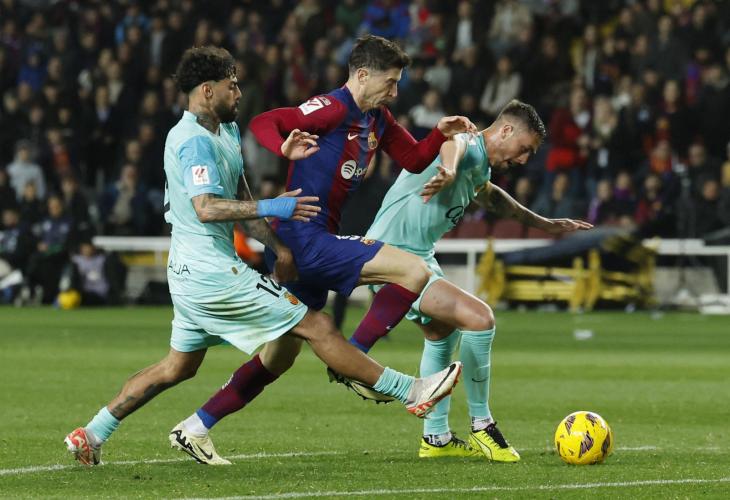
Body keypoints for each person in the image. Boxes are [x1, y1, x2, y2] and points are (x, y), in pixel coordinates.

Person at [63, 46, 462, 467]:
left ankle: (96, 432)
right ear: (207, 90)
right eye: (231, 85)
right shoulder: (193, 141)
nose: (239, 93)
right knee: (320, 325)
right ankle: (410, 390)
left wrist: (277, 246)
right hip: (211, 272)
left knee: (181, 367)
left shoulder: (226, 132)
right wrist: (276, 205)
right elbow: (206, 207)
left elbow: (240, 201)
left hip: (195, 271)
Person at [166, 36, 475, 458]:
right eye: (389, 82)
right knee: (414, 270)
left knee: (279, 357)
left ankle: (196, 426)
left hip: (311, 240)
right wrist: (283, 146)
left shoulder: (377, 119)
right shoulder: (331, 108)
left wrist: (439, 133)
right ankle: (357, 362)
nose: (394, 92)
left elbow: (415, 159)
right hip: (303, 236)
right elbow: (266, 122)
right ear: (362, 75)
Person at [361, 100, 592, 461]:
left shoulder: (480, 166)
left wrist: (545, 224)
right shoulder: (468, 144)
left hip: (414, 257)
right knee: (480, 319)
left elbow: (493, 198)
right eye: (524, 149)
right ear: (506, 130)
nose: (523, 160)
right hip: (392, 258)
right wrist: (449, 169)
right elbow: (450, 142)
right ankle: (483, 426)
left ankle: (435, 438)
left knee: (443, 334)